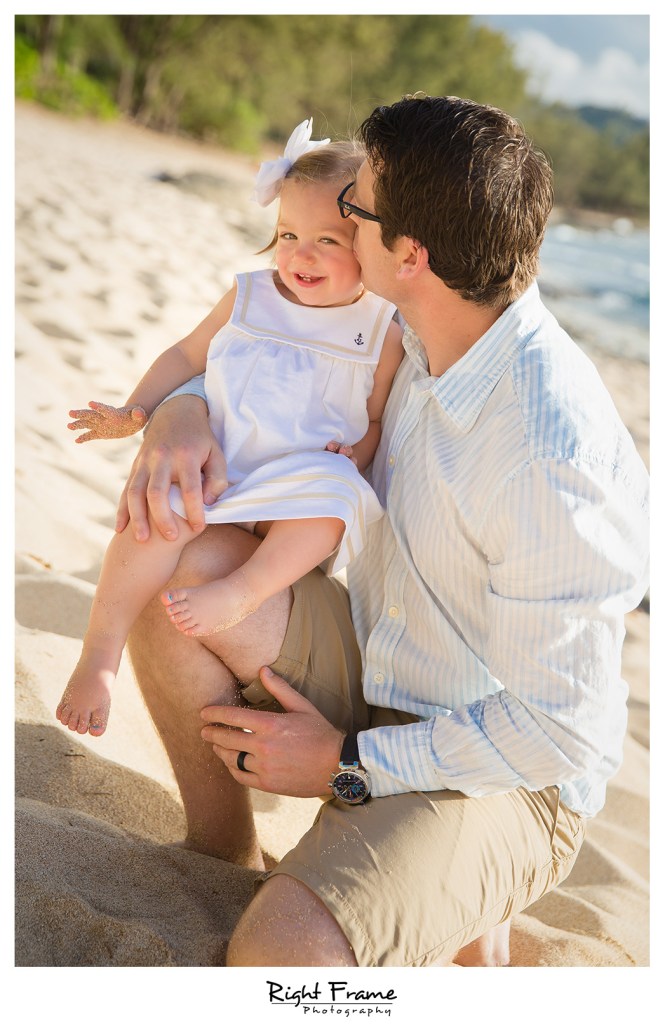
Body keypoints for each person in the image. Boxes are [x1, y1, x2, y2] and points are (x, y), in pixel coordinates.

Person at [117, 96, 649, 967]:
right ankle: (225, 858)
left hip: (509, 770)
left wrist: (347, 765)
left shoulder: (550, 456)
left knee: (285, 963)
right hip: (386, 654)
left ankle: (450, 898)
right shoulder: (418, 317)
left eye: (352, 210)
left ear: (411, 254)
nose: (334, 220)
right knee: (177, 574)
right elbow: (246, 352)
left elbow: (559, 733)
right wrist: (178, 412)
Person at [55, 122, 404, 738]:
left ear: (371, 246)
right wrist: (137, 411)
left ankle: (244, 591)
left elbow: (374, 416)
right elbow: (186, 356)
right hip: (221, 469)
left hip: (292, 487)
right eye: (289, 234)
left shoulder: (380, 328)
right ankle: (99, 654)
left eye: (329, 239)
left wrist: (358, 450)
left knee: (335, 492)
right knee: (153, 520)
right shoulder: (248, 297)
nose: (301, 254)